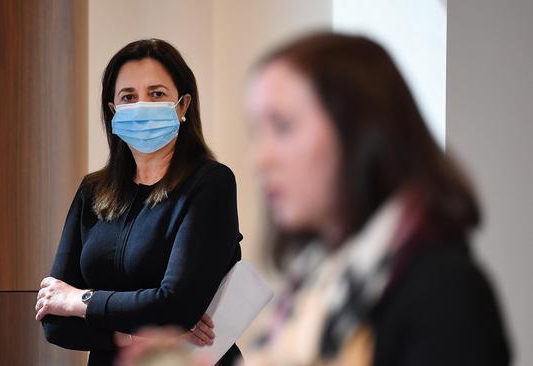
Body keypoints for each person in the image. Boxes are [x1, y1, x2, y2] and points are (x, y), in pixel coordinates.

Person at [118, 32, 511, 366]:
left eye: (283, 126)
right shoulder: (316, 281)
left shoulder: (444, 293)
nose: (262, 158)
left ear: (358, 132)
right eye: (259, 133)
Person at [34, 39, 244, 366]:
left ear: (183, 105)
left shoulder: (210, 184)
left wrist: (81, 300)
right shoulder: (93, 191)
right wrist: (142, 335)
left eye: (157, 94)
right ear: (113, 110)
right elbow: (55, 323)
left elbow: (174, 307)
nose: (141, 104)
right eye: (128, 97)